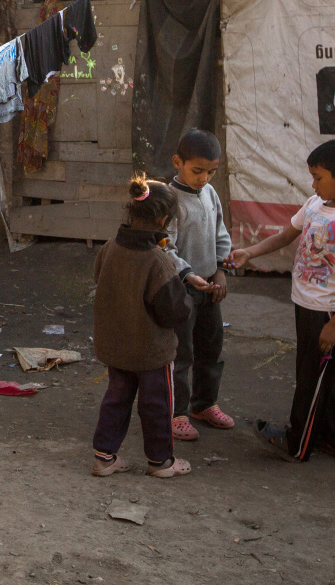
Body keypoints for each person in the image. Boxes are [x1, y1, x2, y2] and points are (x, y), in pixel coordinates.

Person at [227, 138, 335, 462]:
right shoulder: (314, 204)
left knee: (310, 378)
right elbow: (286, 236)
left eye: (319, 177)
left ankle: (297, 443)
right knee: (321, 374)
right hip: (305, 304)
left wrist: (334, 326)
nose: (313, 183)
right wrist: (250, 252)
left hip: (325, 312)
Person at [91, 175, 195, 478]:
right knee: (157, 405)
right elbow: (176, 311)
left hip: (116, 346)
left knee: (116, 399)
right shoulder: (158, 262)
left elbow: (101, 280)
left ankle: (104, 457)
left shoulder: (109, 248)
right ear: (163, 219)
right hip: (150, 351)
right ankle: (161, 461)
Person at [164, 129, 235, 441]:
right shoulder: (168, 200)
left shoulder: (210, 194)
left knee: (211, 347)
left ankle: (204, 404)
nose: (204, 178)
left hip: (209, 287)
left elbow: (220, 234)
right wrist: (186, 274)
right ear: (178, 162)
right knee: (181, 353)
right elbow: (164, 247)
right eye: (197, 171)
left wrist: (220, 270)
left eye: (211, 172)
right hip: (182, 288)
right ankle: (177, 412)